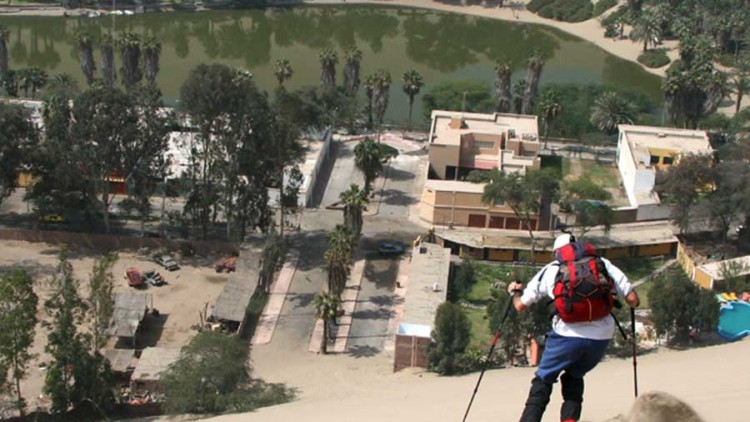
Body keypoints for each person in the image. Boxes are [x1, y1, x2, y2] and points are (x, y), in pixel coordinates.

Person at [506, 233, 640, 422]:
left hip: (566, 336)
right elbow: (633, 300)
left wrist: (514, 292)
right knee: (574, 376)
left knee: (543, 379)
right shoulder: (602, 264)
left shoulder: (553, 268)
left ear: (557, 252)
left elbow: (520, 305)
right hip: (600, 338)